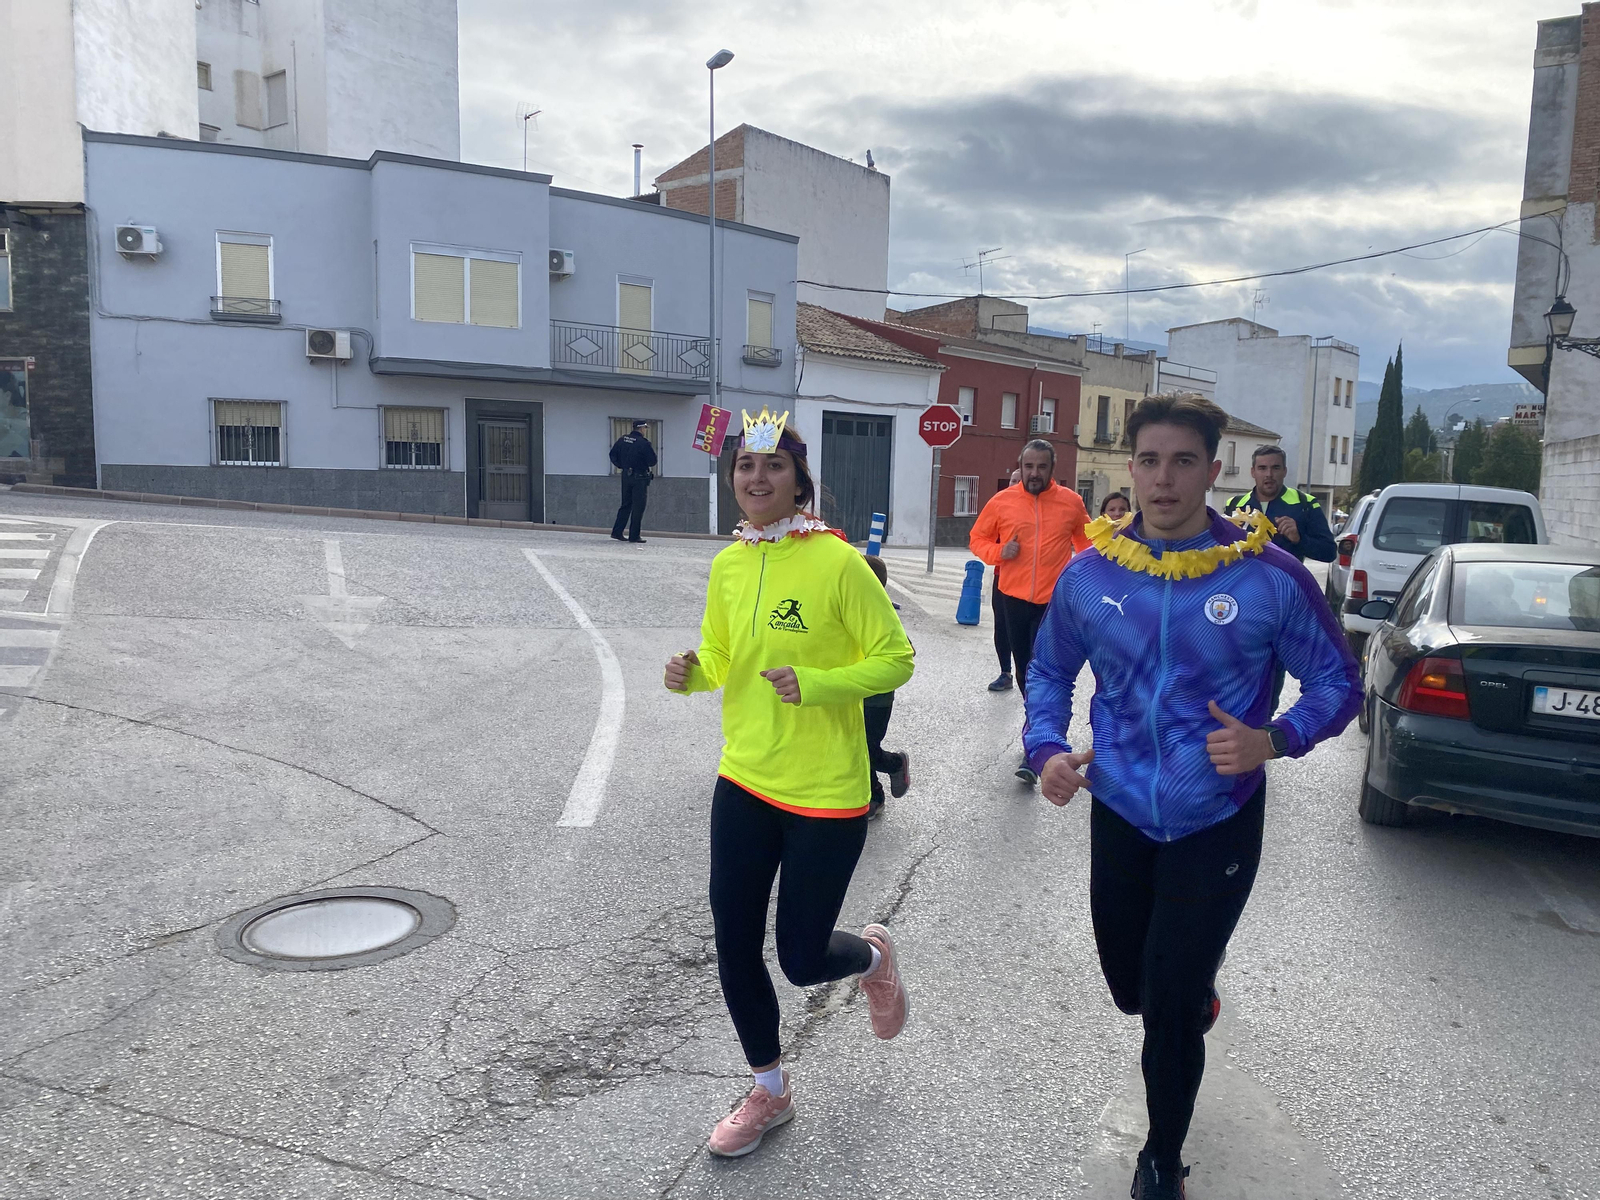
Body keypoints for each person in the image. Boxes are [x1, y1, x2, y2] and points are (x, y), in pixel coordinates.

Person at [1022, 393, 1361, 1199]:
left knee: (1168, 1007)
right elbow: (1048, 672)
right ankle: (1185, 990)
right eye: (1148, 460)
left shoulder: (1268, 576)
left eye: (1182, 462)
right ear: (1128, 468)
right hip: (1124, 808)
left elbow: (1338, 681)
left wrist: (1272, 739)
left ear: (1216, 471)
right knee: (1131, 985)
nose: (1163, 479)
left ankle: (1162, 1157)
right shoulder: (1091, 573)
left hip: (1219, 816)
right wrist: (1046, 750)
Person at [663, 407, 915, 1159]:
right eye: (745, 464)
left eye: (773, 465)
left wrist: (820, 683)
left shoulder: (837, 562)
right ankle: (769, 1091)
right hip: (743, 777)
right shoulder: (728, 565)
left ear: (800, 481)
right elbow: (721, 654)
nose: (756, 476)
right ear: (732, 476)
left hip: (826, 794)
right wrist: (689, 674)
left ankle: (873, 958)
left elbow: (896, 658)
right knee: (734, 945)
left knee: (801, 959)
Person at [968, 440, 1091, 783]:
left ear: (1053, 468)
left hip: (1053, 602)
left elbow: (1087, 547)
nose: (1034, 473)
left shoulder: (1071, 502)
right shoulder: (1002, 501)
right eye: (1029, 467)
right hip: (1014, 598)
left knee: (1044, 670)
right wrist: (999, 552)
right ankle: (1036, 726)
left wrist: (1086, 582)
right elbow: (977, 539)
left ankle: (1035, 743)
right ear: (1020, 467)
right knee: (1024, 671)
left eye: (1041, 467)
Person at [1223, 445, 1338, 712]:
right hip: (1240, 600)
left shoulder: (1305, 504)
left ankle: (1262, 724)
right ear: (1252, 472)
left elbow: (1329, 552)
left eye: (1275, 468)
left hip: (1282, 604)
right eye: (1262, 468)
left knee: (1273, 668)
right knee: (1233, 664)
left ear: (1284, 471)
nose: (1269, 475)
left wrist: (1300, 539)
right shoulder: (1234, 505)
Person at [861, 554, 912, 820]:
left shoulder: (884, 614)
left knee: (866, 748)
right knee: (855, 746)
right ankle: (867, 793)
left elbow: (907, 651)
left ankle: (879, 789)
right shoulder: (848, 607)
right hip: (850, 693)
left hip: (877, 699)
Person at [988, 467, 1025, 691]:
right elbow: (984, 540)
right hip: (1001, 577)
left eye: (1018, 481)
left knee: (1020, 630)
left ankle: (1027, 674)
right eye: (1012, 480)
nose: (1014, 485)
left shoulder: (1037, 513)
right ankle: (1005, 672)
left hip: (1027, 582)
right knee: (1001, 626)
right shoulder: (1000, 509)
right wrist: (1002, 550)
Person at [609, 419, 658, 543]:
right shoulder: (643, 443)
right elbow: (653, 461)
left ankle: (617, 532)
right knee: (638, 507)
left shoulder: (623, 439)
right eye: (645, 428)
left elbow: (612, 454)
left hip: (626, 475)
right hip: (639, 477)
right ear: (641, 429)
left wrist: (622, 466)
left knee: (626, 504)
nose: (645, 431)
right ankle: (634, 535)